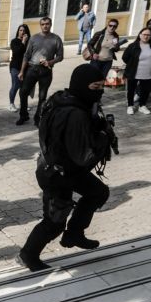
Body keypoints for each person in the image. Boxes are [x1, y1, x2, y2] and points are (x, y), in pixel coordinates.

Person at [17, 64, 116, 271]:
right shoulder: (75, 113)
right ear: (81, 85)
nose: (100, 91)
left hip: (65, 168)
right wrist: (103, 138)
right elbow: (84, 156)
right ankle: (28, 254)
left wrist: (96, 125)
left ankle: (74, 234)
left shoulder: (64, 99)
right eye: (95, 87)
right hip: (57, 174)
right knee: (55, 221)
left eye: (101, 86)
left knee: (98, 192)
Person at [16, 17, 64, 127]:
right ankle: (23, 115)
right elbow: (27, 55)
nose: (45, 26)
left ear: (50, 24)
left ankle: (38, 118)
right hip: (32, 69)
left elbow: (60, 56)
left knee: (42, 97)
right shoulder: (34, 38)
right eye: (43, 24)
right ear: (40, 25)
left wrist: (50, 62)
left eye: (47, 24)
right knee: (23, 92)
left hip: (46, 71)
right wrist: (22, 71)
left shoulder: (56, 39)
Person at [122, 27, 151, 115]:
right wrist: (132, 65)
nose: (146, 36)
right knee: (131, 90)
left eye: (148, 35)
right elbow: (125, 58)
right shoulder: (133, 46)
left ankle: (142, 106)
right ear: (140, 35)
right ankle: (130, 106)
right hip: (134, 72)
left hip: (148, 73)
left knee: (145, 90)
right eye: (144, 34)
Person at [9, 24, 30, 112]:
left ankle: (23, 104)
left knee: (24, 87)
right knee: (15, 85)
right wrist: (23, 42)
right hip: (15, 67)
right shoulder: (14, 41)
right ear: (18, 31)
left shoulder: (29, 42)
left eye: (24, 31)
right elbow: (17, 52)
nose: (22, 32)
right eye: (20, 30)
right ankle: (11, 104)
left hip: (26, 67)